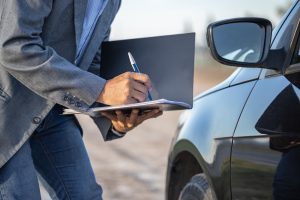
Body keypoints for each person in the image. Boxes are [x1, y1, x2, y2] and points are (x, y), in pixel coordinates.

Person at [0, 0, 162, 199]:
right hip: (6, 108)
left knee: (86, 195)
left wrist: (114, 115)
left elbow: (91, 61)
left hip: (52, 109)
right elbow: (15, 47)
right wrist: (102, 89)